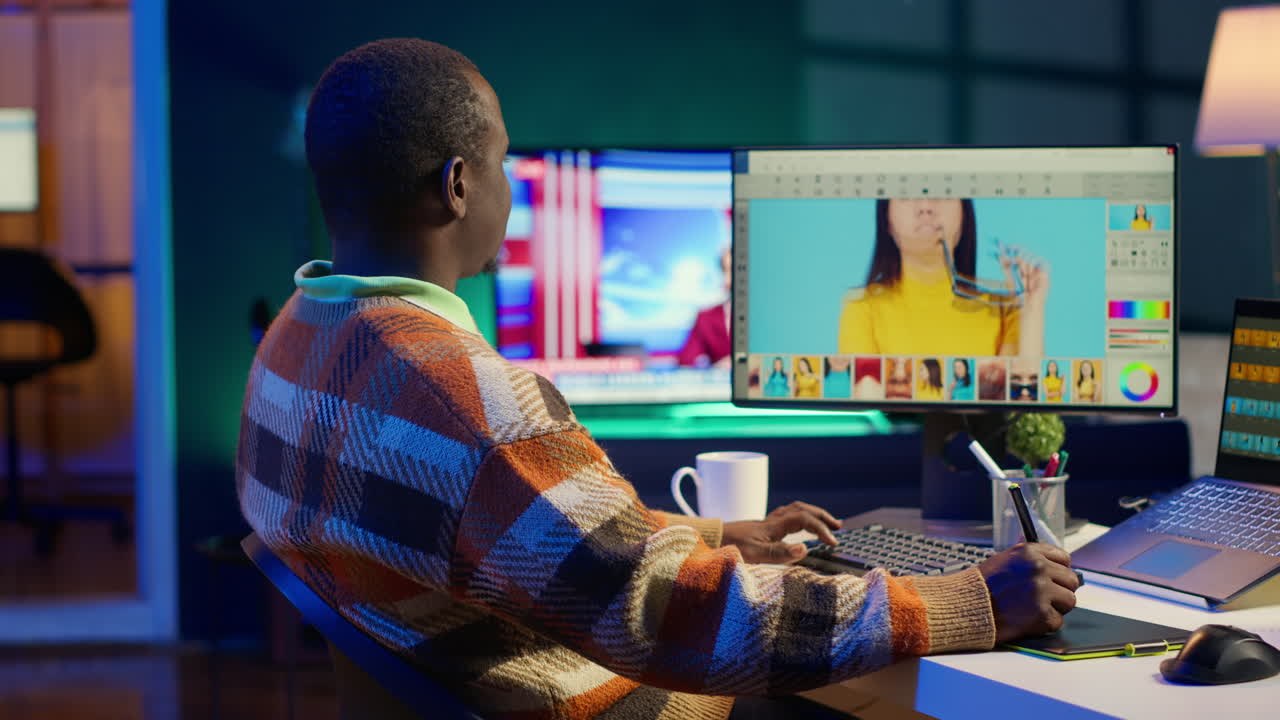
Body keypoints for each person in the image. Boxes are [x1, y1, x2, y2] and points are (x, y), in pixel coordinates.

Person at [236, 38, 1079, 720]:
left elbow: (546, 544)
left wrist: (718, 538)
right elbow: (667, 614)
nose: (507, 187)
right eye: (499, 162)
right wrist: (967, 600)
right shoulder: (476, 403)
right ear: (459, 186)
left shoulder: (294, 341)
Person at [837, 198, 1049, 357]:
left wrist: (1031, 312)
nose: (926, 206)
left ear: (964, 214)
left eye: (943, 190)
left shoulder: (1004, 307)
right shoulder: (862, 307)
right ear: (886, 221)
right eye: (906, 193)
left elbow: (1019, 406)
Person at [677, 247, 731, 367]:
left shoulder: (768, 314)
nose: (733, 277)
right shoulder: (706, 318)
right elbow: (685, 361)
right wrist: (716, 367)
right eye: (726, 270)